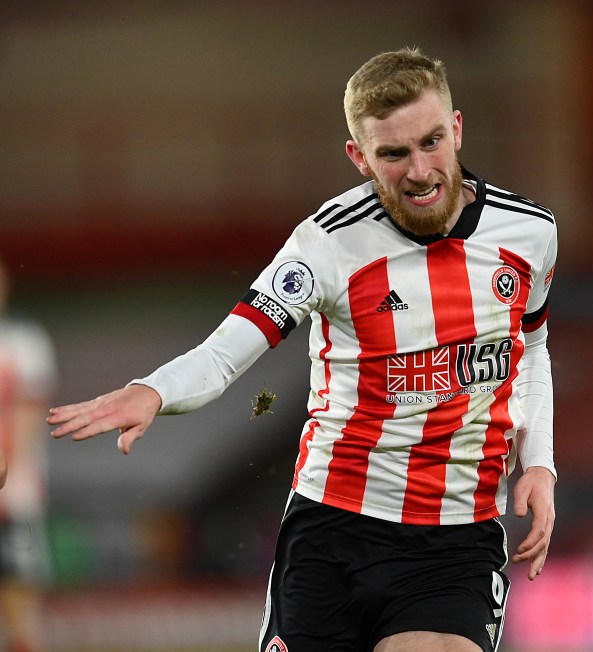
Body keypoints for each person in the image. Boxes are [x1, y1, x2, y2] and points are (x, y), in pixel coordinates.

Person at [49, 47, 557, 652]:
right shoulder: (326, 245)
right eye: (393, 154)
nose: (420, 171)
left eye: (432, 142)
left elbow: (531, 345)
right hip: (333, 531)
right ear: (359, 158)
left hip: (455, 541)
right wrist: (155, 389)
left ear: (458, 128)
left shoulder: (530, 234)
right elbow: (225, 352)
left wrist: (540, 462)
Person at [0, 258, 58, 652]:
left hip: (13, 490)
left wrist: (14, 482)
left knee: (18, 590)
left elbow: (29, 422)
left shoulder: (24, 343)